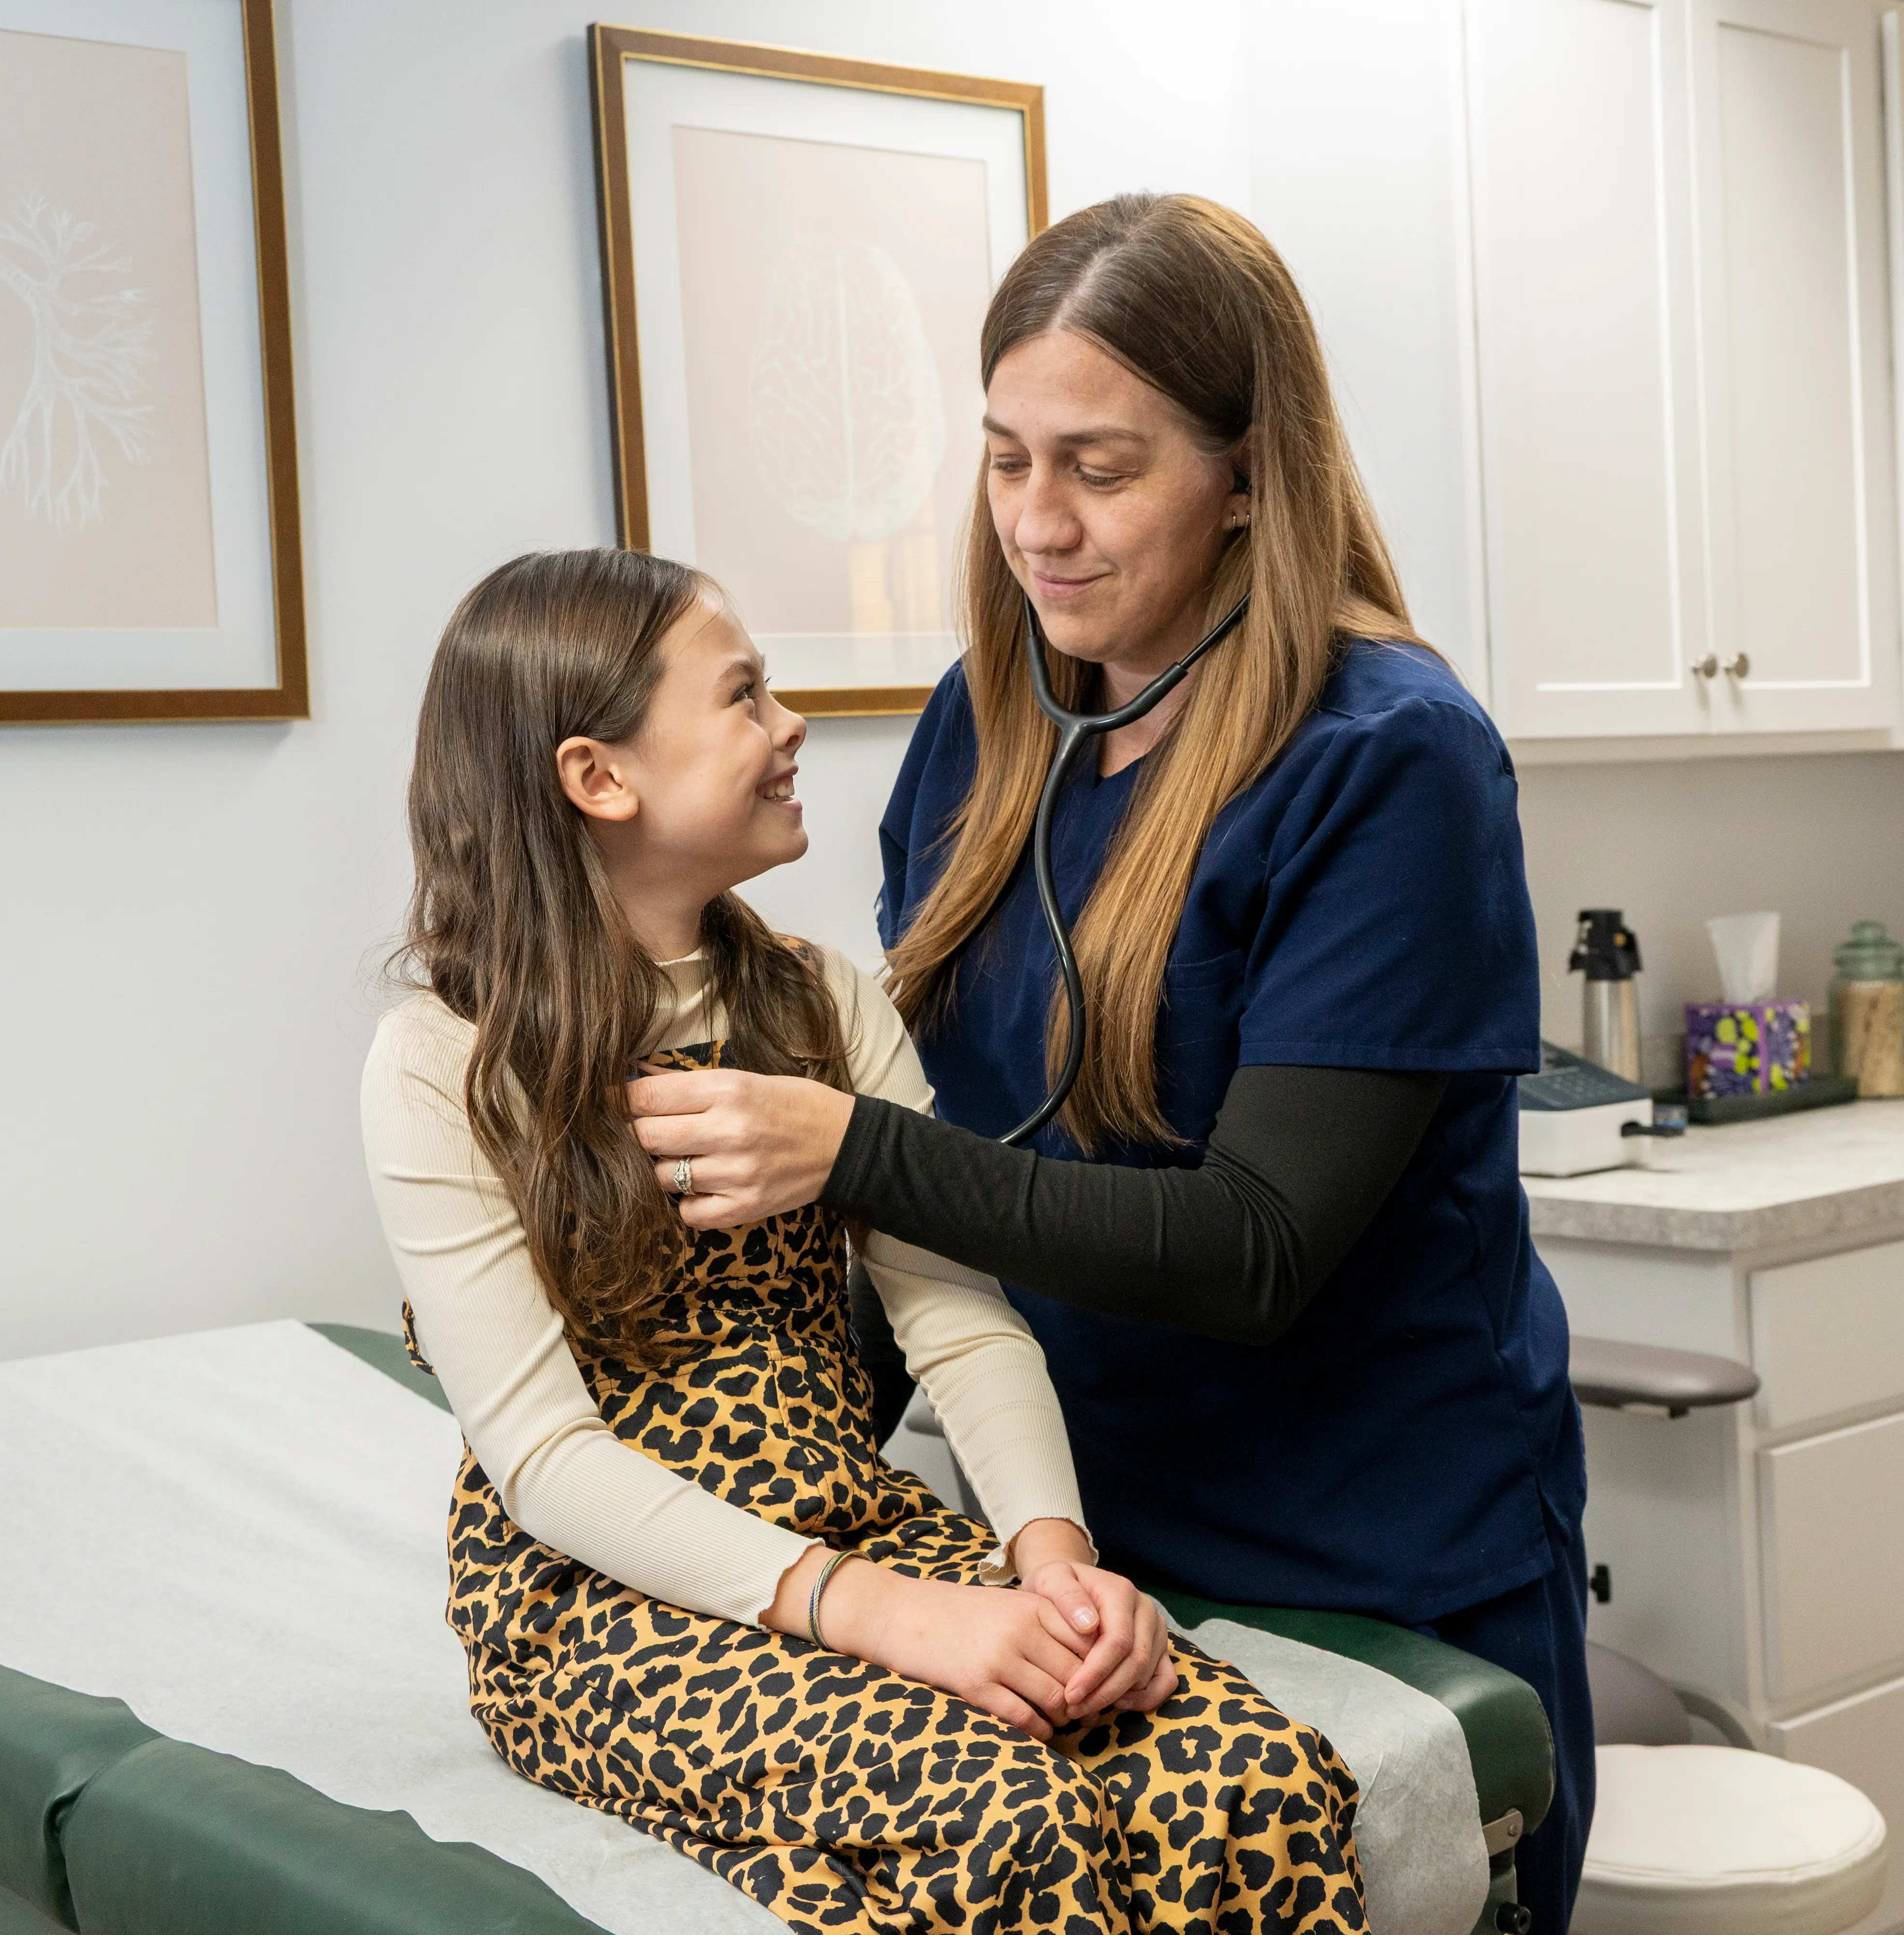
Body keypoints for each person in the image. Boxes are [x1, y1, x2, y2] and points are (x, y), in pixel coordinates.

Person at [626, 195, 1596, 1933]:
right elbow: (941, 1170)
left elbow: (1255, 1249)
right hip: (1077, 1551)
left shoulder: (1392, 763)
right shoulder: (986, 721)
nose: (1036, 522)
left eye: (1100, 467)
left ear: (1249, 474)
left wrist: (842, 1151)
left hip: (1373, 1549)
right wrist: (786, 1525)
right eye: (1007, 460)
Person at [359, 546, 1367, 1935]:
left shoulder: (824, 1000)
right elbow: (545, 1461)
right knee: (1008, 1812)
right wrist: (899, 1617)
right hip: (596, 1595)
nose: (792, 727)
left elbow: (957, 1320)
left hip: (850, 1521)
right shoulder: (444, 1062)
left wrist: (1055, 1567)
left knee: (1252, 1777)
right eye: (744, 696)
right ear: (600, 777)